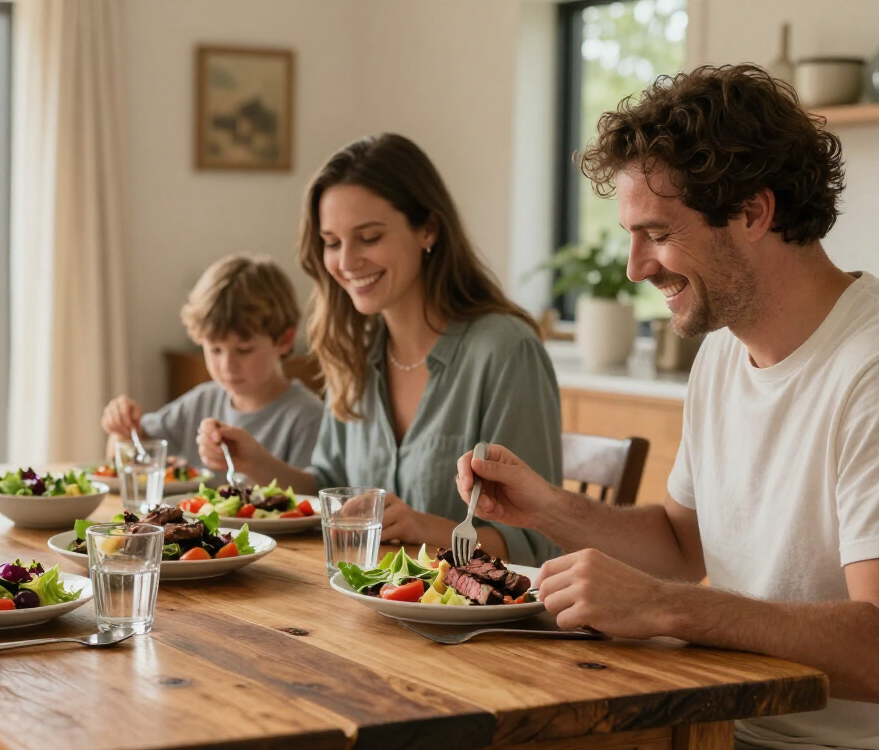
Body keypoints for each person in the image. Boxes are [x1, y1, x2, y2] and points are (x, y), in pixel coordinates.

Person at [457, 64, 879, 750]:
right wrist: (548, 508)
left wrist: (669, 609)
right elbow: (681, 544)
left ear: (753, 212)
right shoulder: (723, 355)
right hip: (716, 720)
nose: (636, 268)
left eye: (657, 233)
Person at [199, 134, 562, 566]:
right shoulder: (352, 351)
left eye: (368, 237)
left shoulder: (505, 353)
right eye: (332, 242)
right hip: (365, 610)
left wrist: (424, 527)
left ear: (427, 229)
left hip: (474, 627)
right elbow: (331, 488)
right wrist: (259, 463)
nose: (347, 261)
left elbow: (538, 546)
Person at [101, 253, 323, 466]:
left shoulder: (308, 417)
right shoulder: (201, 403)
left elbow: (311, 496)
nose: (227, 366)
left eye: (244, 350)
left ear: (284, 340)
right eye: (215, 350)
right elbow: (124, 459)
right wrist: (122, 429)